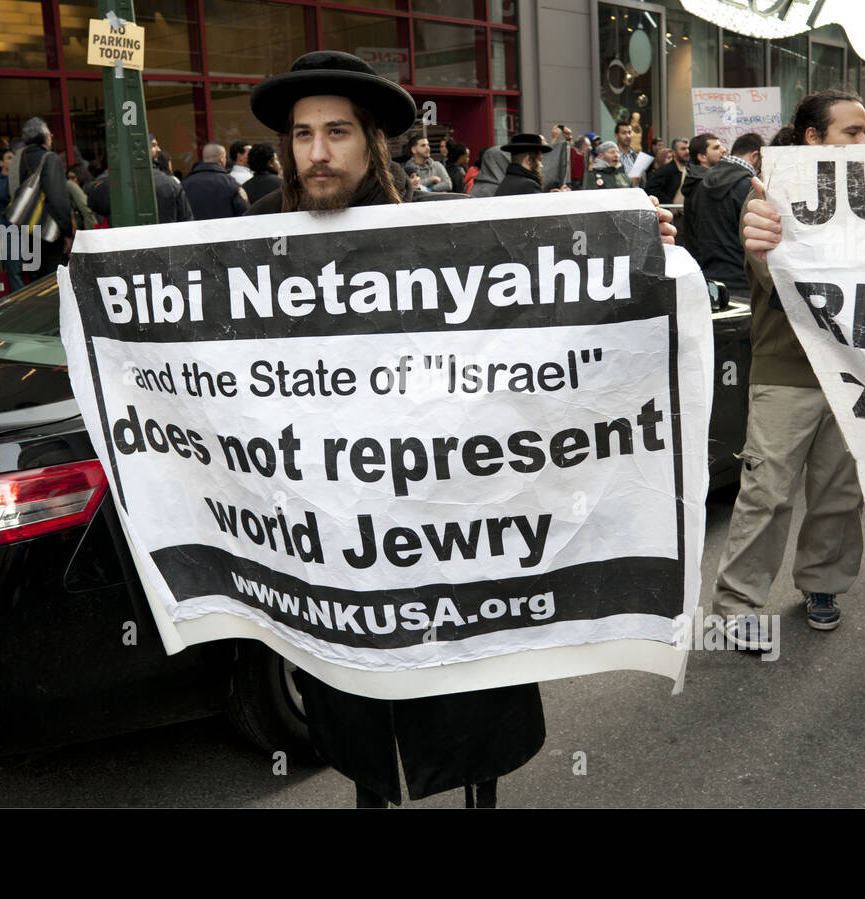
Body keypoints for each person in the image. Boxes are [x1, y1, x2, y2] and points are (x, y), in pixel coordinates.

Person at [245, 49, 674, 807]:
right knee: (357, 719)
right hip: (335, 545)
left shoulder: (444, 236)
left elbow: (535, 338)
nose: (316, 152)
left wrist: (637, 257)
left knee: (474, 708)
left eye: (337, 132)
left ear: (374, 141)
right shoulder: (248, 249)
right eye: (302, 134)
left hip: (450, 534)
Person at [714, 89, 865, 650]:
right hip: (787, 374)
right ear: (813, 138)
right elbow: (775, 286)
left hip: (853, 373)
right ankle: (737, 608)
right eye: (851, 132)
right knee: (768, 492)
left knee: (838, 491)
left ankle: (822, 585)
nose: (863, 142)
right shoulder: (768, 199)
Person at [687, 131, 762, 295]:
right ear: (755, 156)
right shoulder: (749, 187)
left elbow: (692, 232)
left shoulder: (701, 184)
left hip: (708, 278)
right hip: (742, 281)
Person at [11, 117, 73, 281]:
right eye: (50, 133)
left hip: (26, 229)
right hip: (49, 232)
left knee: (37, 280)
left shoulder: (17, 160)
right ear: (44, 136)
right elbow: (57, 198)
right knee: (55, 280)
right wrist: (67, 231)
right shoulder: (50, 159)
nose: (51, 137)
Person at [182, 143, 249, 220]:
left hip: (195, 230)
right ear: (221, 159)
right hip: (225, 230)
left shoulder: (186, 183)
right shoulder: (231, 183)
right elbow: (245, 213)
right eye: (225, 157)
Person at [643, 138, 688, 204]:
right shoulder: (665, 170)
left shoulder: (688, 169)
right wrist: (669, 204)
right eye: (683, 149)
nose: (687, 151)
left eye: (688, 148)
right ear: (674, 152)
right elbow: (651, 188)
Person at [242, 143, 283, 207]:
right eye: (276, 159)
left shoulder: (244, 188)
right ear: (270, 163)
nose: (279, 164)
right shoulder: (283, 185)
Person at [614, 119, 651, 185]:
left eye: (629, 132)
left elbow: (643, 182)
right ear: (616, 136)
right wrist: (629, 182)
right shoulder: (613, 157)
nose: (628, 136)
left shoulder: (636, 156)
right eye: (624, 133)